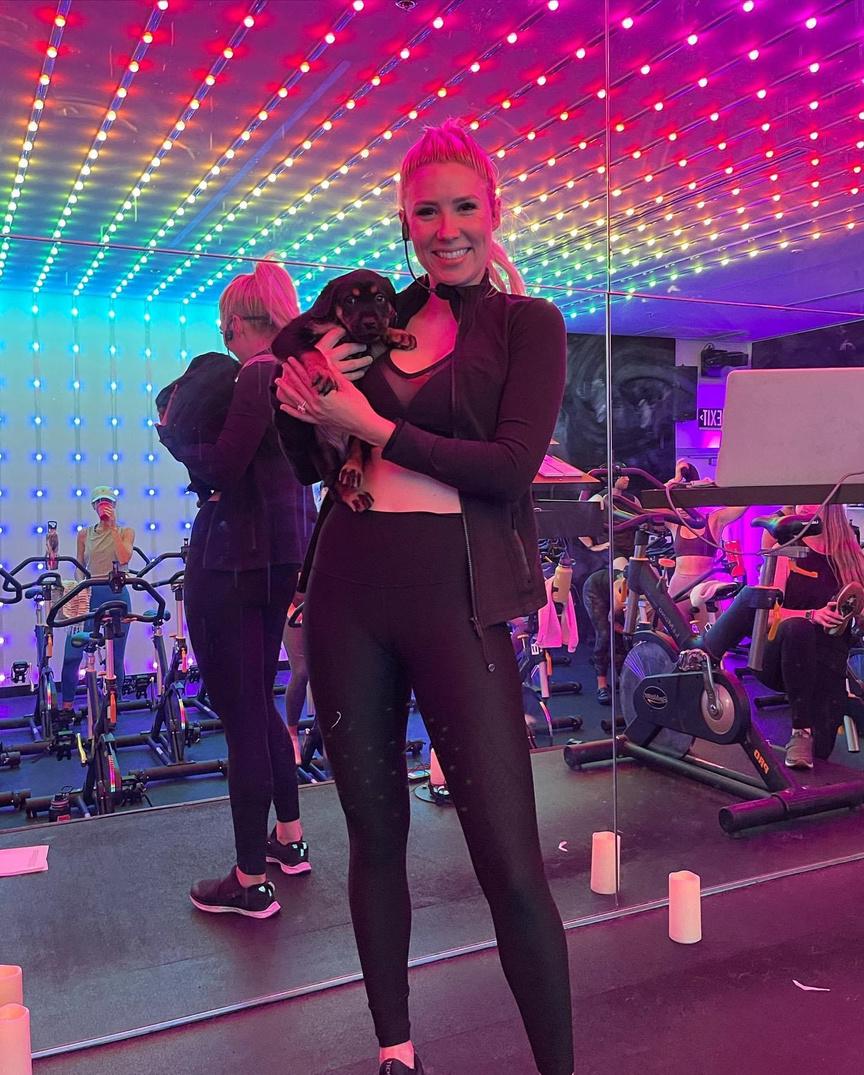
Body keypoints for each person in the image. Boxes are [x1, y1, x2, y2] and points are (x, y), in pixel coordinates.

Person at [275, 121, 574, 1075]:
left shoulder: (527, 324)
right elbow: (315, 461)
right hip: (349, 590)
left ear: (494, 211)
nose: (446, 229)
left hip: (458, 596)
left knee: (511, 863)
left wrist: (367, 422)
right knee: (374, 839)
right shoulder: (367, 318)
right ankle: (395, 1051)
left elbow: (509, 467)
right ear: (404, 222)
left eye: (463, 207)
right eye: (426, 212)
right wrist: (303, 411)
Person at [157, 259, 370, 918]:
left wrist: (173, 440)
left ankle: (249, 879)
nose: (224, 341)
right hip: (282, 557)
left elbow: (224, 464)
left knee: (242, 713)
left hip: (232, 560)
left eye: (226, 328)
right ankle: (288, 838)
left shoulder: (257, 372)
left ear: (245, 322)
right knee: (262, 700)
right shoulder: (302, 375)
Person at [758, 504, 864, 769]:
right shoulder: (787, 550)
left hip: (827, 661)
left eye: (814, 498)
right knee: (799, 627)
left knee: (821, 753)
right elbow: (768, 616)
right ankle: (800, 731)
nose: (804, 504)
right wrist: (812, 615)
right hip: (782, 654)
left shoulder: (851, 556)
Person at [60, 487, 134, 713]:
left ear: (114, 505)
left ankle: (114, 705)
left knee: (116, 657)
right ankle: (67, 706)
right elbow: (80, 566)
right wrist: (76, 591)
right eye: (100, 502)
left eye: (108, 501)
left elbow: (124, 557)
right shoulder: (84, 534)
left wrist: (112, 528)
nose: (104, 505)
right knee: (73, 652)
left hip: (117, 593)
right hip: (90, 594)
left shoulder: (126, 532)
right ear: (94, 506)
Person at [579, 473, 641, 704]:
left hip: (630, 554)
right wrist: (594, 546)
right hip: (604, 574)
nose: (627, 478)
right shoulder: (600, 499)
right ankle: (602, 685)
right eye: (622, 475)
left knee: (624, 636)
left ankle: (625, 681)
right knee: (605, 635)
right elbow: (580, 523)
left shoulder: (632, 500)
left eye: (627, 474)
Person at [664, 459, 746, 625]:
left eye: (686, 502)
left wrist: (715, 487)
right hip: (678, 585)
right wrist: (674, 480)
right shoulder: (674, 523)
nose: (681, 508)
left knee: (711, 636)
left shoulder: (713, 520)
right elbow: (651, 507)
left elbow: (744, 503)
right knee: (674, 634)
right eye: (678, 503)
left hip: (704, 585)